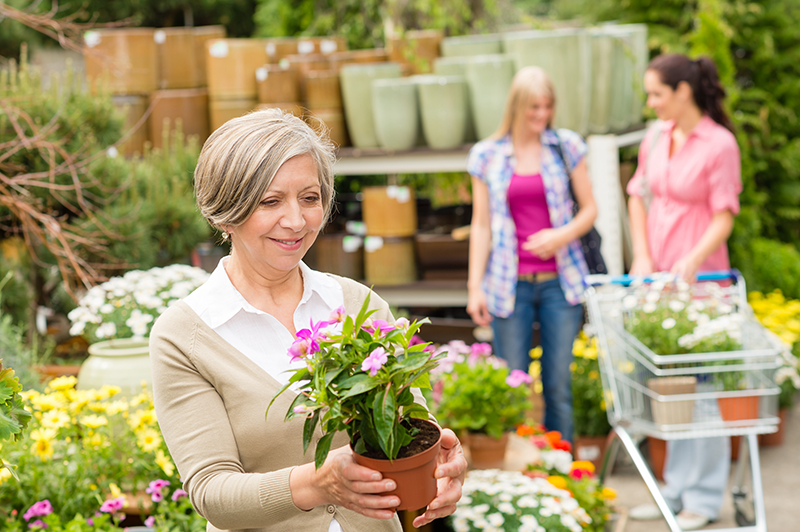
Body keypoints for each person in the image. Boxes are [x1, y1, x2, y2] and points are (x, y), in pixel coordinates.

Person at [149, 109, 466, 532]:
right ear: (225, 213)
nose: (297, 221)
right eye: (270, 201)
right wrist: (317, 484)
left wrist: (441, 466)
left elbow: (409, 429)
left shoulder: (357, 304)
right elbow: (213, 492)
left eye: (310, 198)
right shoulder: (185, 336)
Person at [626, 54, 742, 531]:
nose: (650, 103)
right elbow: (637, 194)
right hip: (659, 286)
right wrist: (642, 255)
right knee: (668, 391)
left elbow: (724, 213)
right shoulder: (655, 138)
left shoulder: (719, 144)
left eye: (656, 93)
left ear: (683, 92)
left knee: (703, 393)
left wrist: (694, 258)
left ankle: (703, 498)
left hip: (704, 285)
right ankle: (671, 490)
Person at [465, 66, 598, 443]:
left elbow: (590, 210)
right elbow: (482, 225)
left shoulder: (566, 147)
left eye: (547, 106)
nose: (541, 115)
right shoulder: (487, 156)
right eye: (533, 107)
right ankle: (520, 478)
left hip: (561, 283)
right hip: (509, 285)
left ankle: (564, 473)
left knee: (557, 383)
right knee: (513, 386)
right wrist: (475, 287)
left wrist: (560, 236)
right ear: (516, 107)